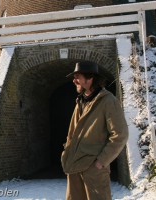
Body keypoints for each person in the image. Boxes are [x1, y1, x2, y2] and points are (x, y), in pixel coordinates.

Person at [61, 61, 129, 200]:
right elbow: (72, 134)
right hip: (74, 167)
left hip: (94, 170)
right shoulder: (80, 101)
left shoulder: (108, 101)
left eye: (77, 77)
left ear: (90, 78)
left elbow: (120, 135)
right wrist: (66, 154)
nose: (74, 81)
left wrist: (101, 161)